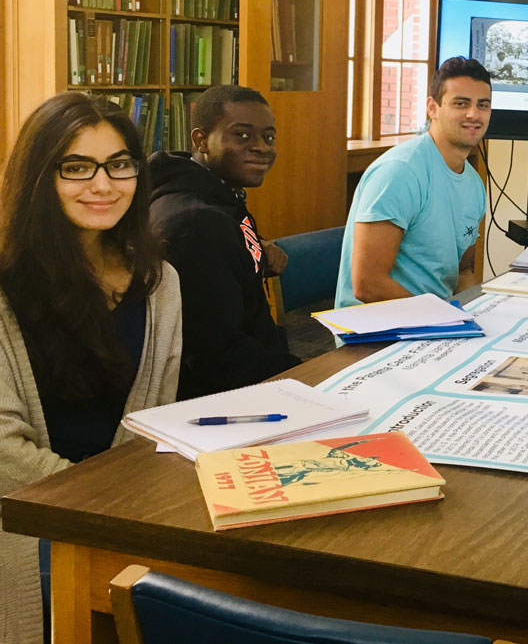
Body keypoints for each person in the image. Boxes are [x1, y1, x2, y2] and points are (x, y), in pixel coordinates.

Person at [0, 93, 183, 644]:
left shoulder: (160, 282)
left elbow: (155, 420)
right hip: (27, 518)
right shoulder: (7, 285)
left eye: (119, 164)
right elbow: (3, 447)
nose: (103, 185)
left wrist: (129, 510)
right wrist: (101, 510)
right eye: (76, 167)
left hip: (123, 512)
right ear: (38, 177)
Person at [148, 85, 299, 399]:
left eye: (268, 137)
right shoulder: (197, 224)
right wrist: (301, 377)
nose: (261, 147)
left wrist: (254, 246)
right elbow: (217, 355)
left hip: (255, 363)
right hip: (225, 397)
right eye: (242, 135)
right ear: (201, 140)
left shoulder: (216, 193)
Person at [335, 57, 489, 306]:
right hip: (376, 330)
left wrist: (481, 309)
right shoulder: (400, 172)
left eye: (482, 105)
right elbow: (368, 285)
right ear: (432, 108)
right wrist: (441, 316)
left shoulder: (473, 183)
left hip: (435, 321)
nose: (473, 114)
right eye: (461, 103)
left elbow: (462, 274)